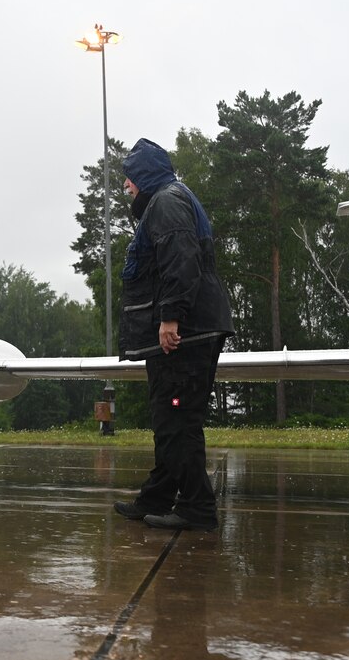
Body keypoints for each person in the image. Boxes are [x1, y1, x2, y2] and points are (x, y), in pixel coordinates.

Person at [112, 138, 234, 531]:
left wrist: (170, 318)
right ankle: (158, 497)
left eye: (129, 179)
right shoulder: (167, 199)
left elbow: (181, 258)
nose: (126, 187)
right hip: (189, 328)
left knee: (177, 419)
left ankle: (197, 508)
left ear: (143, 176)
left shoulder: (165, 201)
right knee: (169, 417)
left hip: (188, 331)